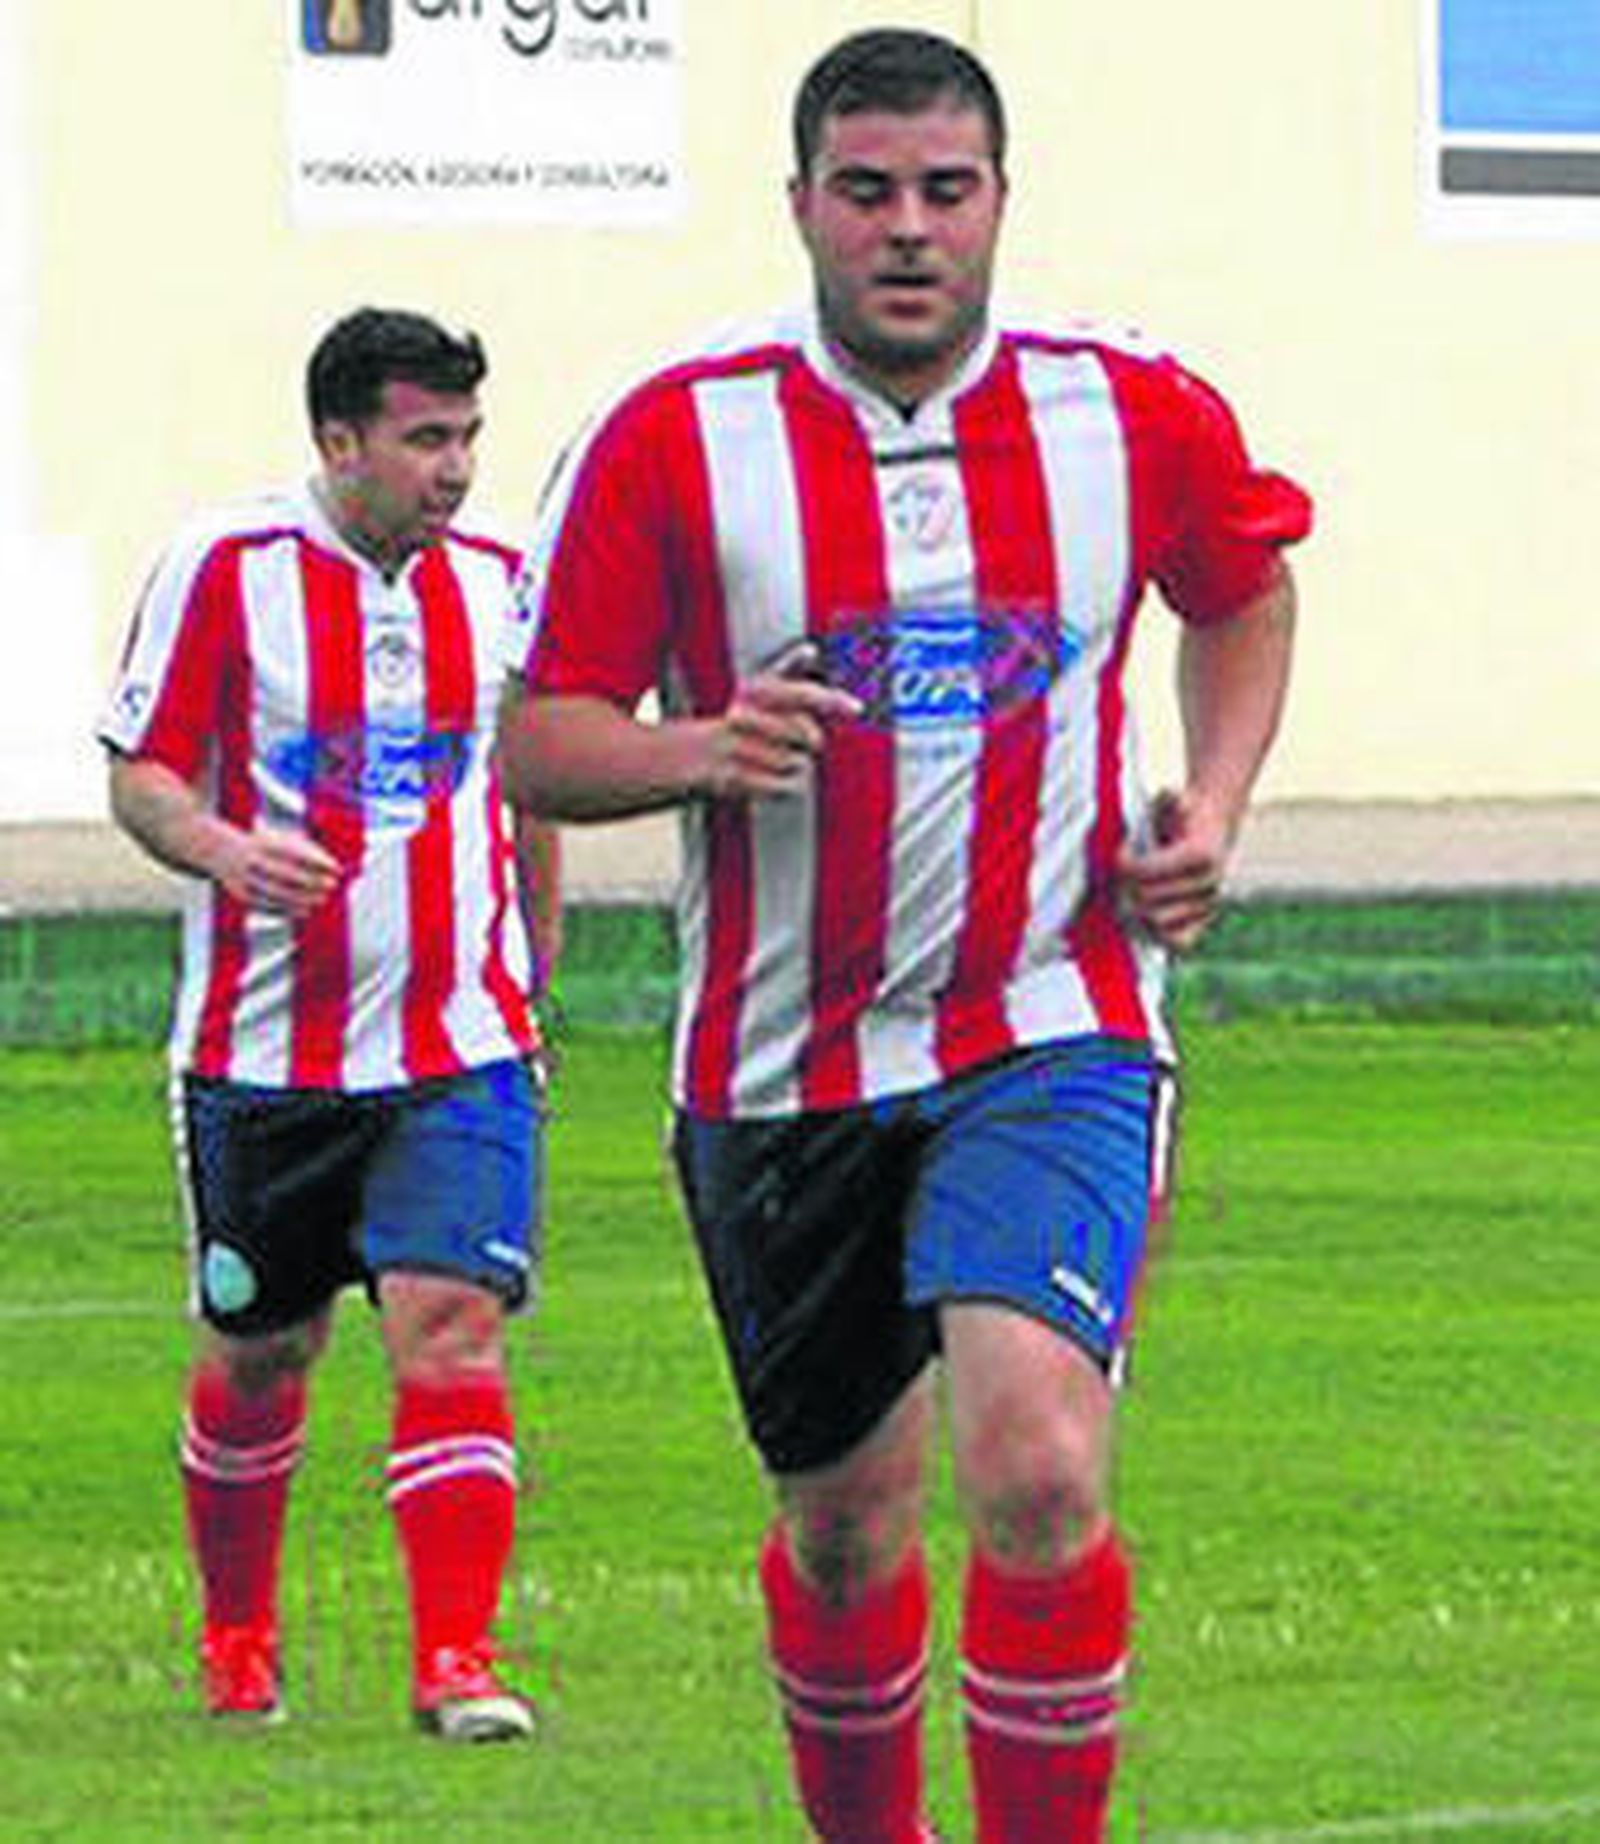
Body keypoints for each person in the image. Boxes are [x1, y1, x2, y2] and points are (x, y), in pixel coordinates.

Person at [499, 26, 1307, 1840]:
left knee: (1036, 1462)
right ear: (802, 206)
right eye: (868, 193)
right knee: (849, 1533)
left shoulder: (1132, 413)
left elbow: (1243, 594)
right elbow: (536, 740)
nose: (910, 231)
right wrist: (696, 751)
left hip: (1054, 1023)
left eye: (947, 191)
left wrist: (1216, 805)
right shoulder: (672, 440)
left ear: (1002, 200)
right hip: (780, 1072)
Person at [99, 307, 561, 1742]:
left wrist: (530, 970)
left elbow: (532, 784)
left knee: (452, 1327)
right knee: (259, 1356)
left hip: (460, 1047)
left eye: (470, 436)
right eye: (427, 437)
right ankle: (238, 1638)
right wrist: (226, 852)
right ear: (339, 439)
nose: (456, 468)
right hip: (261, 1057)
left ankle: (458, 1665)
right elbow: (145, 774)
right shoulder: (223, 570)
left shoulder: (501, 584)